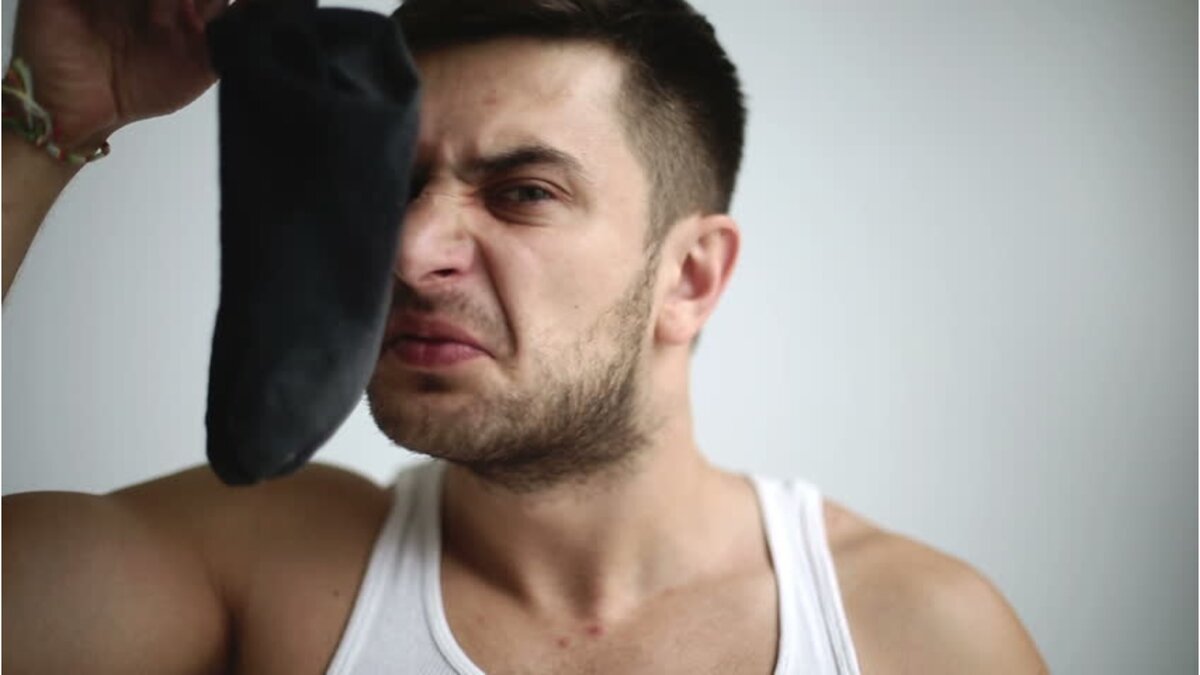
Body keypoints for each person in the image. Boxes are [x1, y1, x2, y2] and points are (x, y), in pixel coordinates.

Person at [2, 0, 1048, 672]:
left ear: (690, 277)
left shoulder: (914, 636)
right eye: (396, 186)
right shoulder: (257, 569)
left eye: (523, 192)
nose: (411, 250)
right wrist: (49, 118)